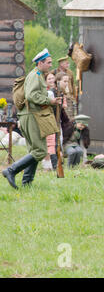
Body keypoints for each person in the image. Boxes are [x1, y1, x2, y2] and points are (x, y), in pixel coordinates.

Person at [2, 49, 62, 189]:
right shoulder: (35, 76)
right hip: (32, 116)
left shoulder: (37, 75)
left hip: (30, 115)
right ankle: (11, 170)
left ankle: (27, 183)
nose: (50, 65)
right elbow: (31, 96)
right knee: (40, 151)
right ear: (40, 63)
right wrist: (50, 100)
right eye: (48, 62)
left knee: (34, 150)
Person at [42, 72, 57, 170]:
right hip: (45, 118)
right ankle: (47, 164)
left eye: (53, 78)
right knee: (46, 142)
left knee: (51, 142)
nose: (52, 81)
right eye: (49, 79)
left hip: (52, 118)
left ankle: (51, 165)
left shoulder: (54, 91)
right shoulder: (47, 92)